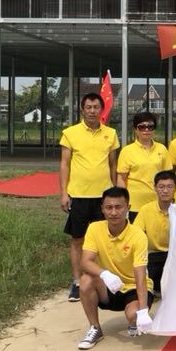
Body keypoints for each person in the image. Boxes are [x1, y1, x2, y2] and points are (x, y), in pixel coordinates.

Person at [59, 92, 120, 302]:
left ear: (102, 109)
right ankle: (77, 281)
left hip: (104, 197)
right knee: (78, 239)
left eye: (96, 107)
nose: (92, 111)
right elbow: (64, 164)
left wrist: (115, 192)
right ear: (82, 109)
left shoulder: (111, 133)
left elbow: (113, 164)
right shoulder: (70, 133)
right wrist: (64, 192)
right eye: (89, 107)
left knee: (105, 239)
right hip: (79, 195)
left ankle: (102, 278)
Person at [77, 186, 154, 350]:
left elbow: (140, 274)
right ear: (102, 209)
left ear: (128, 208)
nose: (113, 212)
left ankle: (134, 320)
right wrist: (104, 274)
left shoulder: (138, 235)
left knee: (133, 316)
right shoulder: (94, 228)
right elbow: (85, 261)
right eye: (109, 207)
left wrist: (143, 312)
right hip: (110, 286)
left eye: (118, 207)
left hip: (133, 286)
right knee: (85, 279)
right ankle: (95, 328)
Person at [116, 112, 171, 221]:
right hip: (134, 204)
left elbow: (168, 177)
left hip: (157, 203)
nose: (146, 130)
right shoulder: (127, 151)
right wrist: (122, 202)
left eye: (150, 127)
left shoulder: (162, 149)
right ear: (135, 129)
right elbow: (121, 179)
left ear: (154, 129)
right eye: (142, 127)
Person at [134, 170, 176, 298]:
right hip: (153, 255)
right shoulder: (145, 210)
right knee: (150, 284)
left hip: (175, 255)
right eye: (161, 187)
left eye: (169, 187)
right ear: (155, 188)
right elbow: (136, 234)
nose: (165, 191)